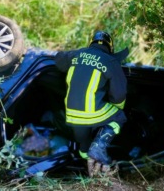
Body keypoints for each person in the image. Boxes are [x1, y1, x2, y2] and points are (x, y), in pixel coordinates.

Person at [54, 31, 128, 176]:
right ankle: (100, 146)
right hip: (92, 112)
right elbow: (119, 95)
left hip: (72, 116)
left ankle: (89, 170)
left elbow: (58, 60)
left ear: (91, 43)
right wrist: (116, 108)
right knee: (119, 117)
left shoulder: (78, 54)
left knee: (84, 147)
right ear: (110, 47)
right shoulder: (110, 61)